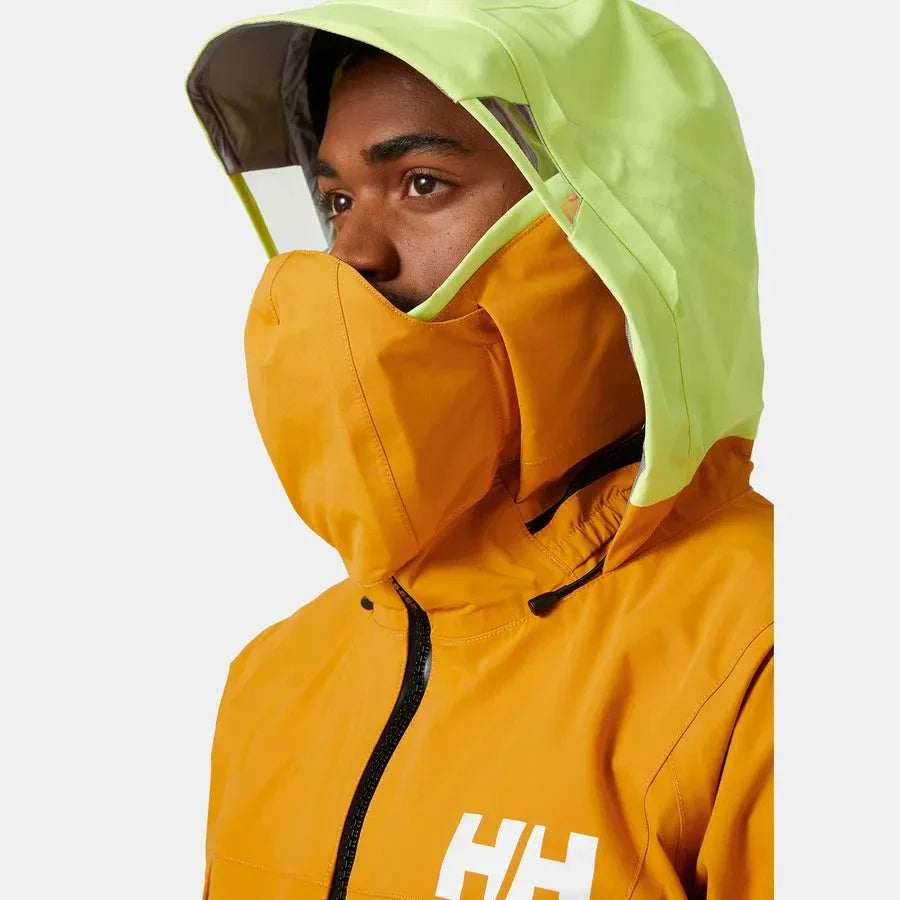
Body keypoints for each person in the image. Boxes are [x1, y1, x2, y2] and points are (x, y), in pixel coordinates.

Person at [186, 2, 773, 898]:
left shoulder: (766, 655)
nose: (348, 254)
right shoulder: (275, 680)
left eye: (422, 183)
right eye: (335, 200)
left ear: (622, 233)